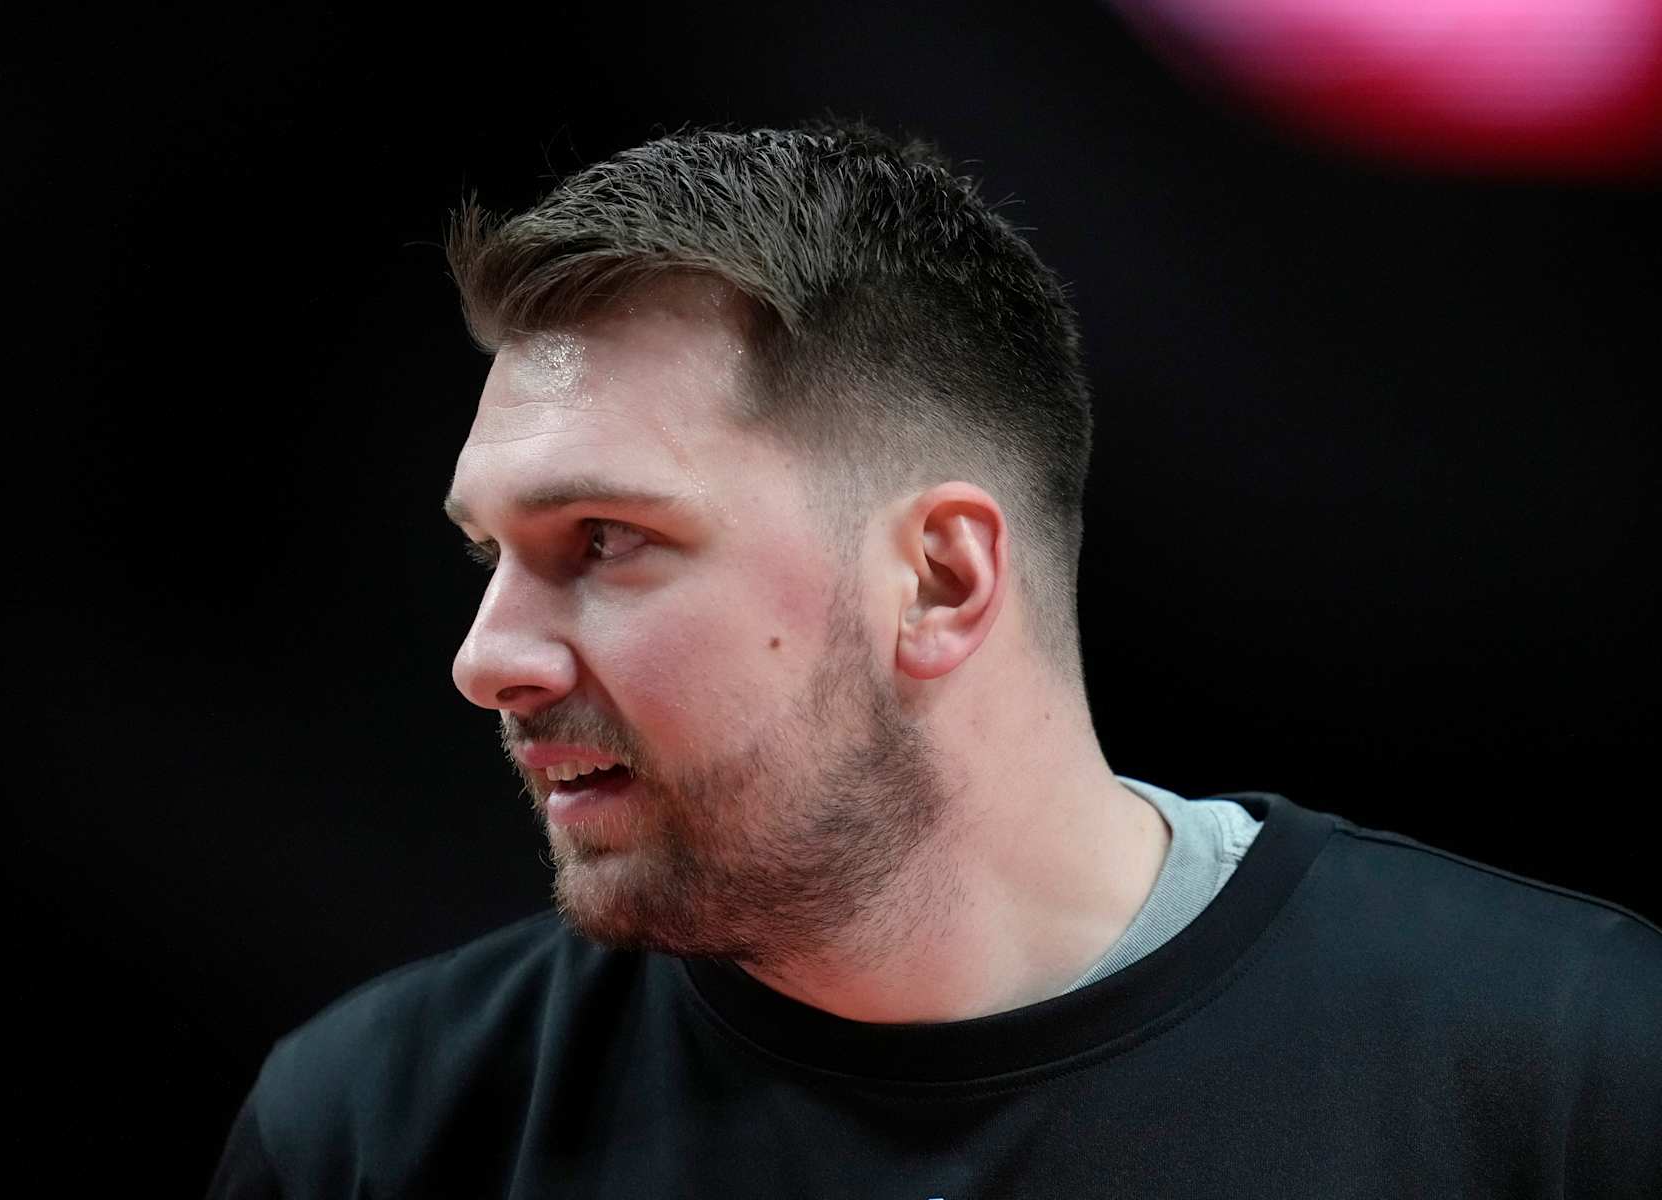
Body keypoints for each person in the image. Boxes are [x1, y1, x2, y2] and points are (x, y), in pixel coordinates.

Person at [206, 118, 1660, 1198]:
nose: (486, 658)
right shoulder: (378, 1128)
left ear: (941, 578)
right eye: (489, 556)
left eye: (603, 539)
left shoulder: (1564, 1066)